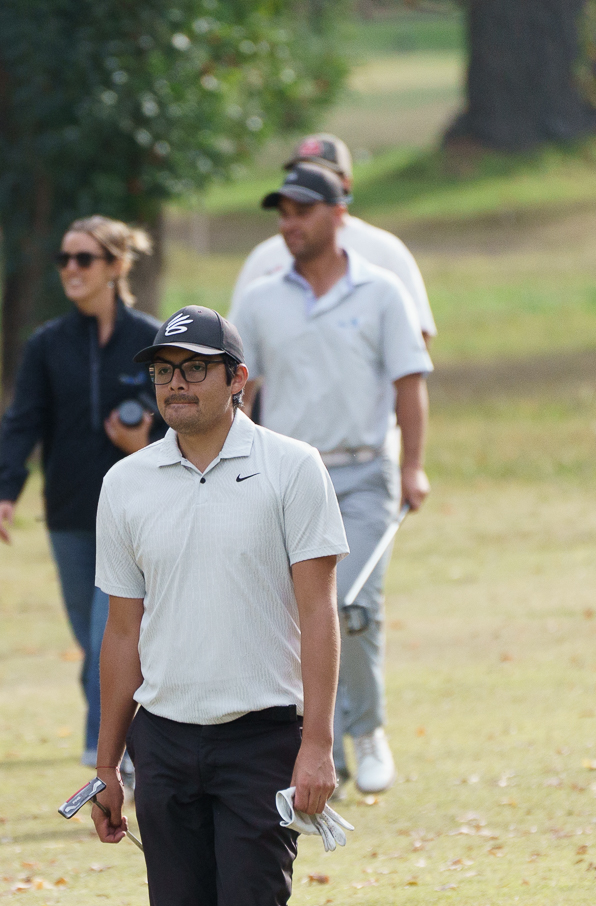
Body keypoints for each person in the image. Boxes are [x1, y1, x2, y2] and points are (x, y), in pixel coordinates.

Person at [91, 304, 364, 906]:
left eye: (194, 368)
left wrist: (318, 744)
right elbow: (122, 632)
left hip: (263, 736)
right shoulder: (127, 484)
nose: (175, 383)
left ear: (235, 380)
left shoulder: (291, 468)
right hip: (166, 740)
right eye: (163, 369)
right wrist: (107, 763)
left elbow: (319, 613)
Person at [233, 164, 434, 797]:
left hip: (364, 470)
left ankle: (367, 732)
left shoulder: (382, 291)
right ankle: (319, 749)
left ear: (339, 212)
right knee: (291, 616)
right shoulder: (260, 298)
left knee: (353, 605)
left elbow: (409, 383)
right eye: (283, 213)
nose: (289, 224)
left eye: (302, 211)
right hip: (287, 476)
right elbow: (239, 391)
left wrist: (412, 466)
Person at [0, 216, 161, 771]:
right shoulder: (47, 345)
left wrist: (141, 443)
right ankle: (134, 741)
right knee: (95, 644)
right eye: (64, 258)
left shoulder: (152, 341)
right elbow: (23, 420)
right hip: (68, 515)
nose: (70, 268)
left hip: (135, 518)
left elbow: (182, 426)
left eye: (83, 258)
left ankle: (104, 755)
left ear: (116, 266)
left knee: (111, 633)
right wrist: (7, 488)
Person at [228, 133, 436, 346]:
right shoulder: (265, 258)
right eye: (300, 172)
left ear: (346, 183)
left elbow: (417, 336)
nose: (307, 180)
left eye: (320, 173)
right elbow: (237, 342)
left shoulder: (385, 250)